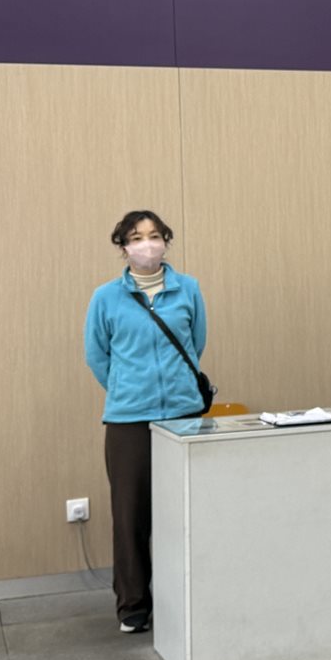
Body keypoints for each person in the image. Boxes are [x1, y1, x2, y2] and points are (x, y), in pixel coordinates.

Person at [84, 209, 208, 633]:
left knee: (185, 512)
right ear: (124, 247)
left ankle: (185, 602)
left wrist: (174, 387)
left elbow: (196, 344)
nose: (147, 244)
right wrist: (127, 388)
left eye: (154, 236)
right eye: (136, 238)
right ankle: (134, 607)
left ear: (166, 242)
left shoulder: (188, 289)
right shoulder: (106, 298)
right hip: (128, 420)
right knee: (130, 516)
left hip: (183, 415)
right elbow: (97, 356)